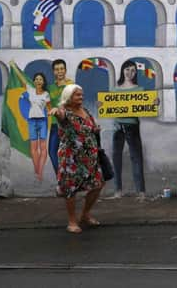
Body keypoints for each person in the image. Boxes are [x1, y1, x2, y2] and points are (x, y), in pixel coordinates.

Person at [51, 84, 104, 234]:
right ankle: (72, 221)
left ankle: (85, 214)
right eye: (77, 95)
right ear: (68, 97)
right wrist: (55, 112)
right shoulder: (65, 112)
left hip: (90, 156)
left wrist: (95, 130)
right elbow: (60, 116)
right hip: (71, 158)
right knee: (70, 189)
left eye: (81, 94)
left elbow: (90, 128)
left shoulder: (85, 111)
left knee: (98, 184)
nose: (81, 97)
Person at [111, 60, 146, 200]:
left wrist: (154, 103)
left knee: (136, 159)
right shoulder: (115, 89)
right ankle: (117, 191)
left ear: (135, 73)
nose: (129, 73)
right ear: (122, 70)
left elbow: (145, 107)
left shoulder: (139, 89)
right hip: (117, 127)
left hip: (132, 126)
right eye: (127, 69)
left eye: (132, 70)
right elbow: (109, 107)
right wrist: (101, 104)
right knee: (116, 160)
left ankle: (141, 192)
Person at [10, 62, 51, 181]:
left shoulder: (46, 94)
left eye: (41, 79)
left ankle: (40, 171)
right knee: (33, 147)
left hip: (42, 121)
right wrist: (13, 66)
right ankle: (36, 170)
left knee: (43, 147)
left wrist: (53, 112)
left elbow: (49, 108)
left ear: (43, 82)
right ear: (34, 81)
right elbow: (21, 78)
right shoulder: (30, 90)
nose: (38, 81)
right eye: (37, 79)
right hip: (32, 121)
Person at [47, 59, 74, 176]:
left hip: (68, 125)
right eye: (57, 69)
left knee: (69, 154)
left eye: (62, 69)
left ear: (65, 70)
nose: (60, 72)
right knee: (52, 153)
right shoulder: (50, 88)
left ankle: (68, 181)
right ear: (53, 72)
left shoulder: (71, 86)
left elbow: (75, 105)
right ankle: (62, 180)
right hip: (55, 125)